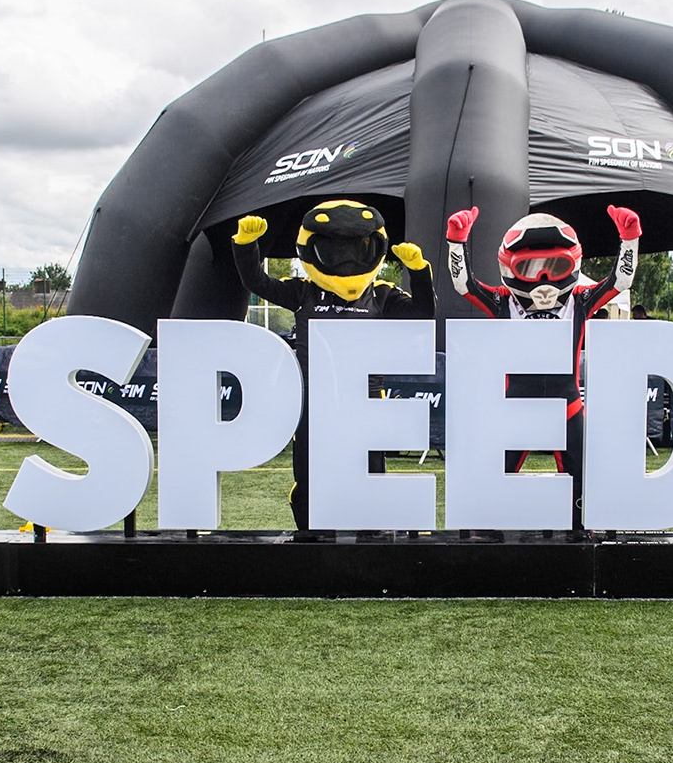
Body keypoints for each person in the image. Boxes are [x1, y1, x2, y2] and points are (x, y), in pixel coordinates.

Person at [231, 199, 434, 530]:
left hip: (368, 400)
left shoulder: (380, 293)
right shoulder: (305, 292)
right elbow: (258, 283)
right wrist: (245, 245)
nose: (346, 260)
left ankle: (373, 539)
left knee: (371, 475)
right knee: (309, 475)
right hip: (315, 399)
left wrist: (419, 272)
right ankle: (311, 540)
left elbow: (423, 314)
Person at [444, 204, 642, 529]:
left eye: (553, 265)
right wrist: (456, 240)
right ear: (512, 267)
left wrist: (629, 238)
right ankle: (481, 530)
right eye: (532, 267)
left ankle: (580, 529)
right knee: (494, 475)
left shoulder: (579, 300)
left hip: (566, 404)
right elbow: (464, 284)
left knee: (581, 474)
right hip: (517, 407)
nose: (544, 278)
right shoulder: (503, 301)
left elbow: (619, 282)